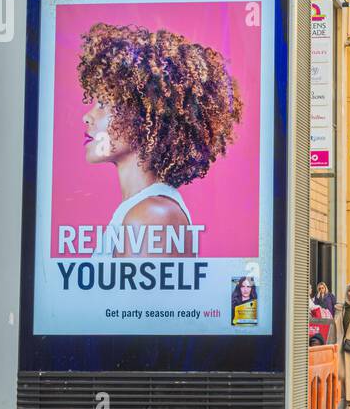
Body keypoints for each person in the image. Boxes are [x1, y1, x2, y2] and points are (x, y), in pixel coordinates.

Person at [78, 24, 240, 259]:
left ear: (144, 118)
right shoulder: (141, 210)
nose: (87, 116)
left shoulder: (153, 215)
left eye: (103, 104)